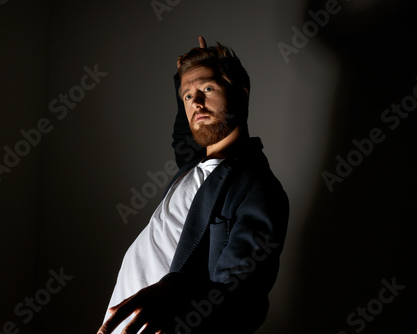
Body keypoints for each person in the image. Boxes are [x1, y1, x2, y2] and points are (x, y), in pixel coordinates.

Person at [98, 36, 289, 334]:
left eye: (208, 89)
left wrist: (176, 294)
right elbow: (186, 125)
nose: (196, 102)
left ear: (240, 95)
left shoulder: (257, 188)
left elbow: (242, 297)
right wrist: (185, 76)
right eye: (187, 96)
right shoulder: (191, 166)